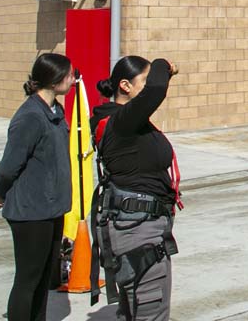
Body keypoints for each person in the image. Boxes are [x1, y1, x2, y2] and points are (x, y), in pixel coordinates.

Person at [90, 56, 182, 321]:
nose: (149, 83)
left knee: (133, 311)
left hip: (135, 227)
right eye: (144, 78)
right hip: (139, 232)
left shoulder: (124, 121)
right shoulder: (123, 122)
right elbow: (156, 90)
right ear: (125, 86)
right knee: (149, 313)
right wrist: (164, 64)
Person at [0, 52, 76, 321]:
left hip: (53, 207)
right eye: (70, 75)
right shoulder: (30, 117)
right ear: (53, 80)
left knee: (44, 278)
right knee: (28, 279)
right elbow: (9, 165)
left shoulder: (55, 111)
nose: (74, 79)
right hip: (31, 212)